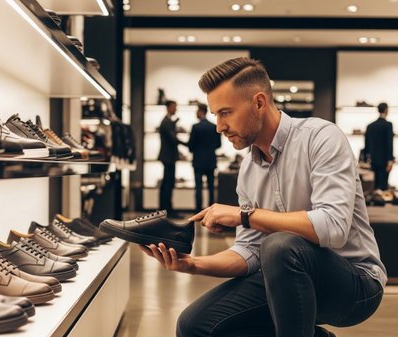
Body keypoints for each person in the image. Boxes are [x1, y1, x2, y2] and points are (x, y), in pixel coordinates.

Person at [141, 57, 386, 337]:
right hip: (287, 276)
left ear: (259, 102)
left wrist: (245, 216)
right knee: (194, 325)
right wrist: (192, 264)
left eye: (226, 113)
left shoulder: (321, 137)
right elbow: (250, 253)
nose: (220, 126)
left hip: (355, 285)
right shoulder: (248, 169)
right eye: (215, 116)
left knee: (281, 246)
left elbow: (334, 228)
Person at [188, 103, 221, 212]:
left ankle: (198, 210)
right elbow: (218, 145)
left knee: (198, 187)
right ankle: (212, 210)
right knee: (211, 188)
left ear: (201, 111)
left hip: (198, 161)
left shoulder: (195, 127)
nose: (196, 113)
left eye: (197, 110)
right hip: (210, 160)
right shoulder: (214, 127)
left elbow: (191, 145)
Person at [158, 100, 186, 216]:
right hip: (168, 157)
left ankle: (165, 209)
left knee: (167, 183)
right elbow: (172, 139)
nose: (175, 109)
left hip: (168, 156)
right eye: (174, 107)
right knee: (168, 184)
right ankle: (167, 210)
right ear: (168, 107)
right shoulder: (166, 122)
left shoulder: (168, 121)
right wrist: (187, 144)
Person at [364, 102, 394, 191]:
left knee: (376, 184)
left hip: (373, 159)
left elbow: (366, 143)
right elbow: (389, 143)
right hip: (384, 160)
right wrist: (390, 160)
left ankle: (376, 198)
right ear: (386, 110)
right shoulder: (388, 125)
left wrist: (366, 157)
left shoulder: (370, 126)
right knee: (384, 185)